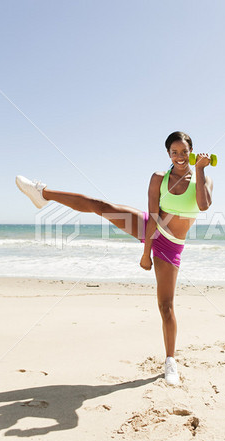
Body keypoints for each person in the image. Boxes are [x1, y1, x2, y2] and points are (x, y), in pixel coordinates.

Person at [15, 131, 213, 386]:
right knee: (103, 206)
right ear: (168, 154)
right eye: (174, 152)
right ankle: (42, 193)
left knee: (166, 306)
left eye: (184, 152)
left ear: (192, 152)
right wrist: (145, 254)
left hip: (172, 247)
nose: (179, 157)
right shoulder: (158, 179)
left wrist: (200, 169)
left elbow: (204, 205)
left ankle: (170, 361)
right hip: (152, 227)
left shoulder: (204, 179)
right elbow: (153, 217)